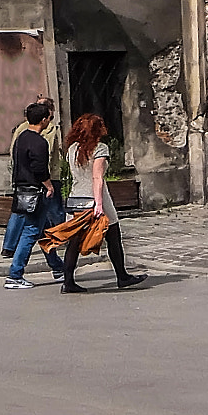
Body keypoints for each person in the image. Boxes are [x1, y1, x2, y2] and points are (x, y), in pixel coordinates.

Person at [58, 113, 145, 293]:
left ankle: (68, 281)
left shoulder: (72, 148)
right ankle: (122, 276)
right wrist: (98, 204)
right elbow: (97, 177)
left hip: (76, 198)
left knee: (73, 242)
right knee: (113, 236)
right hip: (97, 198)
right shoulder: (100, 148)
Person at [3, 101, 65, 290]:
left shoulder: (21, 137)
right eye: (48, 118)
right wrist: (49, 186)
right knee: (30, 232)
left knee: (44, 231)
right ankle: (15, 274)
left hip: (23, 188)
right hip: (35, 191)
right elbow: (39, 168)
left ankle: (58, 267)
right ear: (44, 119)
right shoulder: (39, 142)